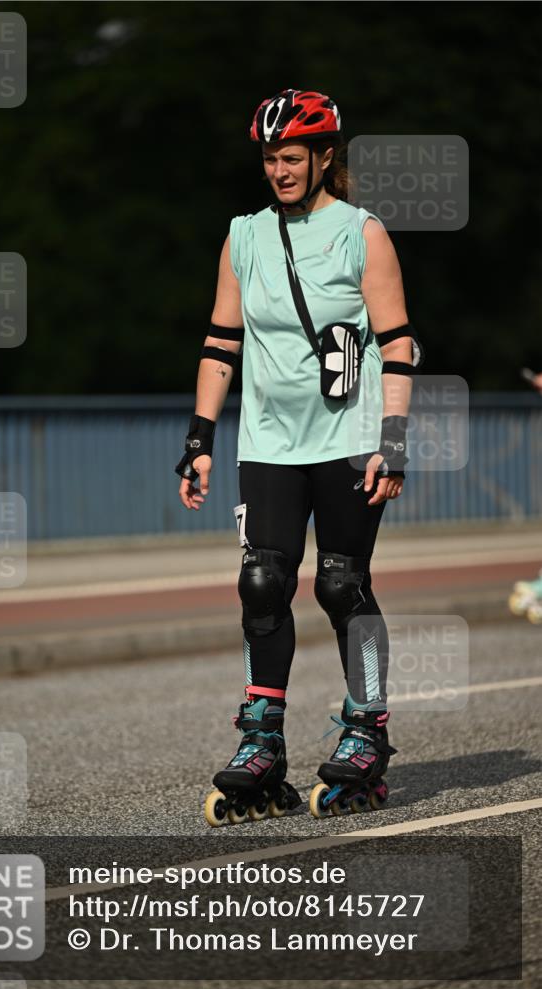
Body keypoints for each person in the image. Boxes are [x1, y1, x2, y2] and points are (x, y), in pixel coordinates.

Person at [176, 89, 423, 826]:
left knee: (342, 584)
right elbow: (221, 342)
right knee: (262, 581)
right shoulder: (244, 236)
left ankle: (365, 727)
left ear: (323, 157)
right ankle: (261, 742)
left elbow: (397, 344)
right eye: (269, 158)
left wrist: (393, 441)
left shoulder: (361, 233)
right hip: (270, 441)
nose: (279, 171)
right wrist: (199, 440)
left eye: (291, 157)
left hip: (350, 438)